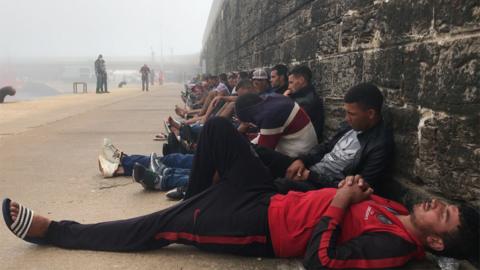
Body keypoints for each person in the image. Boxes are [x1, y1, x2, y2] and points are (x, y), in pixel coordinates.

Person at [3, 118, 478, 270]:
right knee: (216, 130)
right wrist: (354, 188)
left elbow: (322, 261)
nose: (437, 204)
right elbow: (348, 197)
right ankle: (192, 198)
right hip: (269, 195)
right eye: (446, 203)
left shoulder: (395, 247)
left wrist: (339, 201)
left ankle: (56, 232)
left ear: (435, 242)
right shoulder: (397, 211)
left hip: (258, 226)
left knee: (153, 230)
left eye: (445, 215)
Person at [256, 82, 394, 193]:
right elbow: (326, 146)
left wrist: (311, 176)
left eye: (351, 114)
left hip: (322, 187)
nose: (347, 118)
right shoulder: (351, 126)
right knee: (260, 152)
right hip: (311, 168)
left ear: (370, 113)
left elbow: (358, 189)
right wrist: (302, 160)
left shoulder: (380, 145)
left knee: (277, 185)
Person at [235, 93, 318, 157]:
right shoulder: (274, 99)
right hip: (301, 145)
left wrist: (240, 135)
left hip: (299, 156)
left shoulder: (270, 116)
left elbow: (262, 154)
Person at [285, 65, 324, 141]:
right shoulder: (296, 96)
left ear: (301, 80)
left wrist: (284, 101)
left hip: (303, 143)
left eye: (291, 82)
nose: (288, 87)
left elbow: (291, 122)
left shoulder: (310, 101)